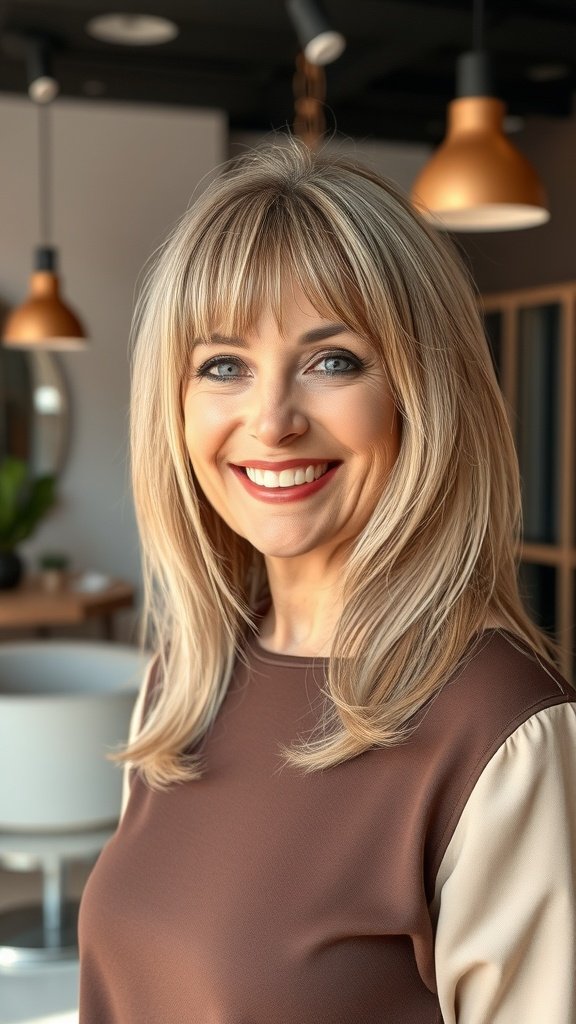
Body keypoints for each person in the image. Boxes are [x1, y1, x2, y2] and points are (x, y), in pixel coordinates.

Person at [78, 139, 576, 1023]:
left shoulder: (504, 732)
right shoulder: (180, 683)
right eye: (223, 365)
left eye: (333, 360)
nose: (271, 420)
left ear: (422, 394)